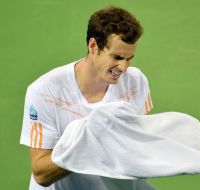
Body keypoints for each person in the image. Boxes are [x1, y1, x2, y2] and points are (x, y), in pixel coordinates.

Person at [20, 6, 154, 190]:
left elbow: (136, 146)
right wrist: (89, 142)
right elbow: (41, 174)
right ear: (93, 46)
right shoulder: (44, 91)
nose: (123, 67)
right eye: (117, 57)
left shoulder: (136, 82)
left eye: (129, 58)